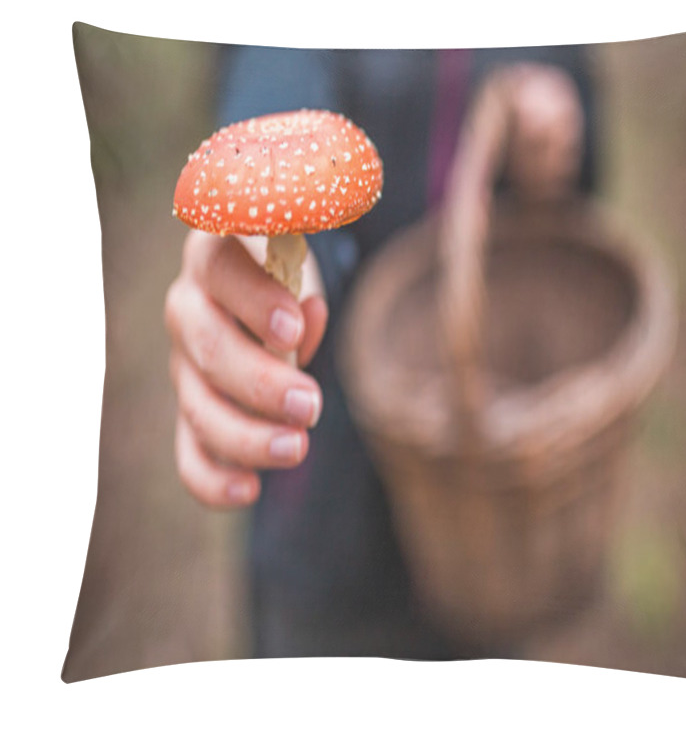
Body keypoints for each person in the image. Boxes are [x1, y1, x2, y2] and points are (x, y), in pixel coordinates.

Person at [164, 46, 594, 658]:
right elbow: (273, 65)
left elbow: (582, 115)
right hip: (324, 519)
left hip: (486, 497)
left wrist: (559, 136)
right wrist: (260, 256)